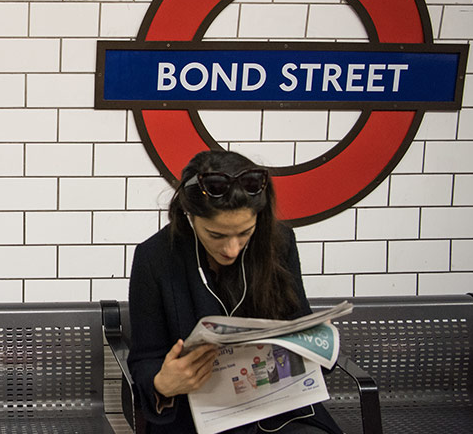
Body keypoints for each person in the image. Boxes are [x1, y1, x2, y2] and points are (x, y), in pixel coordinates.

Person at [127, 150, 342, 434]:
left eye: (244, 233)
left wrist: (320, 344)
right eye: (216, 235)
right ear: (189, 216)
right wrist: (162, 384)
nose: (231, 249)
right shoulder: (154, 258)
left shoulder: (279, 244)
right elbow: (145, 359)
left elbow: (298, 322)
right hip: (197, 417)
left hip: (278, 412)